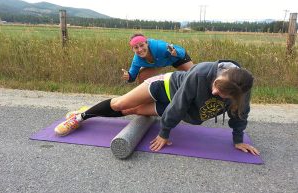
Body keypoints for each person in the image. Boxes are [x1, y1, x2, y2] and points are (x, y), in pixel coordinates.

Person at [55, 60, 260, 155]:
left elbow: (240, 112)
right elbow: (179, 104)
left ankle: (90, 110)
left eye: (222, 95)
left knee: (131, 112)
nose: (215, 94)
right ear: (218, 77)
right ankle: (81, 116)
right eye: (216, 87)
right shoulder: (201, 73)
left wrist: (238, 139)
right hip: (165, 87)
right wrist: (164, 132)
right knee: (121, 104)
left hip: (175, 106)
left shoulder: (242, 86)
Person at [121, 34, 194, 83]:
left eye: (142, 45)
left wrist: (176, 53)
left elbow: (180, 51)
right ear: (132, 49)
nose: (140, 49)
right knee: (142, 76)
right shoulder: (137, 60)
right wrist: (128, 77)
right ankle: (149, 97)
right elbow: (132, 76)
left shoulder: (160, 47)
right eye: (136, 47)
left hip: (176, 58)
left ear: (147, 43)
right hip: (158, 64)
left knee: (193, 75)